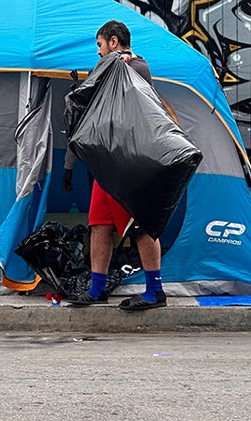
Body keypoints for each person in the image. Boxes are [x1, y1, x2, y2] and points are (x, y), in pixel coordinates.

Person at [67, 20, 166, 310]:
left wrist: (124, 61)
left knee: (141, 228)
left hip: (127, 163)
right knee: (98, 225)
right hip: (105, 163)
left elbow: (139, 70)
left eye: (99, 45)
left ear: (113, 41)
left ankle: (155, 291)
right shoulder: (109, 68)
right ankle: (97, 289)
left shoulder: (135, 66)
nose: (97, 53)